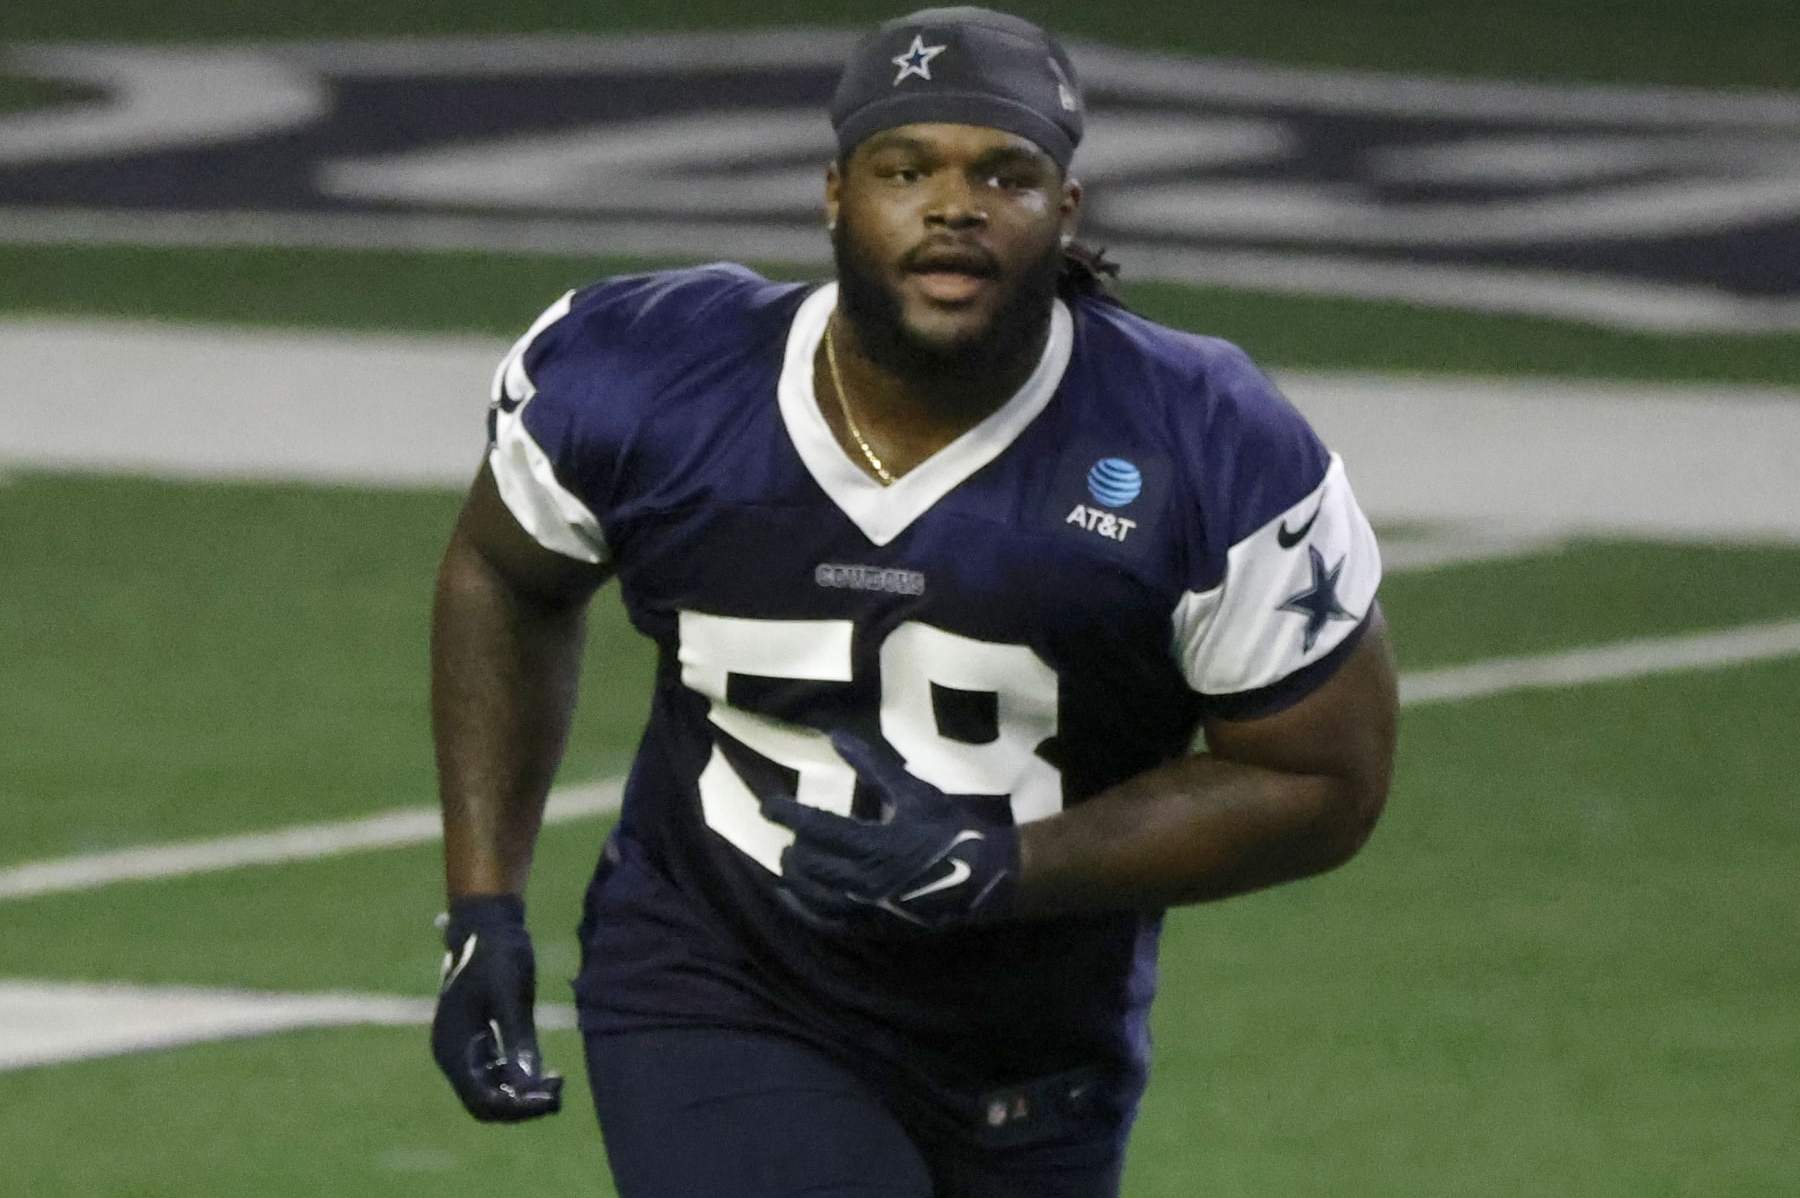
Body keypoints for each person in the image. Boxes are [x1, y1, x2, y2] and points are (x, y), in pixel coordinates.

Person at [428, 7, 1397, 1196]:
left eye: (1005, 174)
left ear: (1066, 212)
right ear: (836, 194)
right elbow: (504, 572)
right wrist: (483, 905)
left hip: (1034, 1039)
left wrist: (1003, 865)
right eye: (907, 170)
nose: (955, 205)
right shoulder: (647, 378)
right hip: (719, 975)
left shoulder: (1203, 440)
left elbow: (1321, 776)